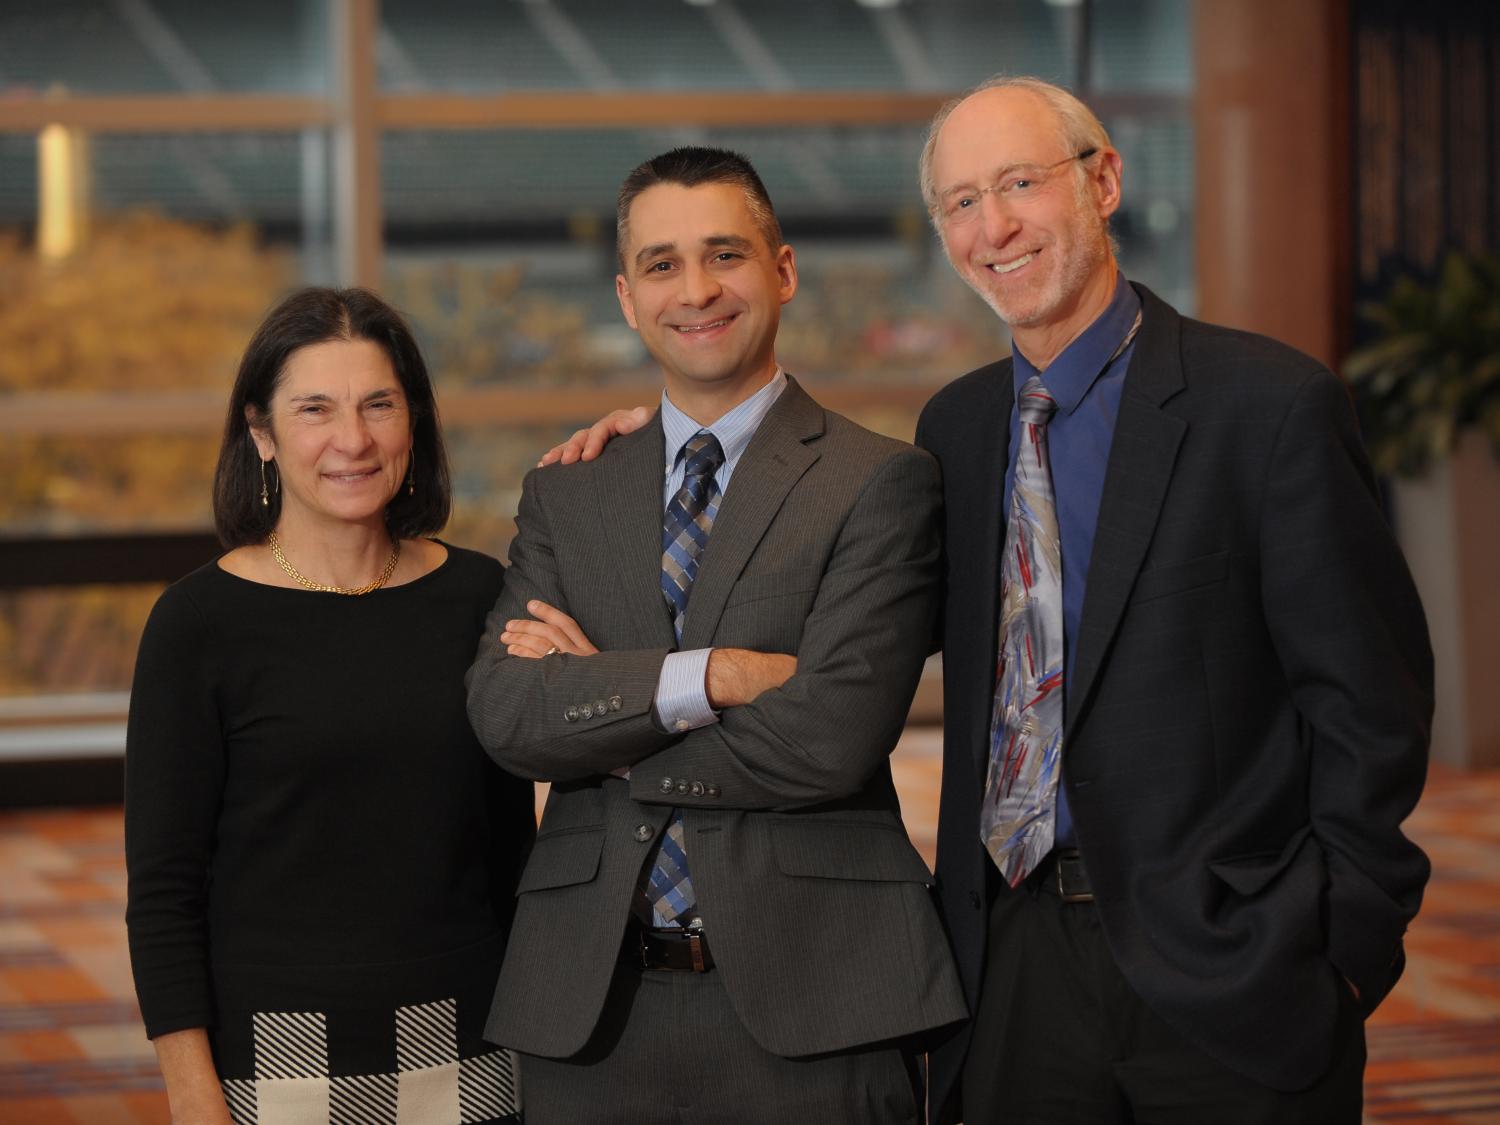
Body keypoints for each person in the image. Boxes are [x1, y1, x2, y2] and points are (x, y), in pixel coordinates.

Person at [544, 78, 1434, 1125]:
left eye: (1020, 184)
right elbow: (827, 614)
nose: (993, 226)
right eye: (961, 202)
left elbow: (1372, 703)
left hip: (1233, 967)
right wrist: (675, 452)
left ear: (1103, 181)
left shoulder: (1269, 407)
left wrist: (1342, 952)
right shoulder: (956, 431)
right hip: (1004, 967)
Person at [465, 146, 966, 1125]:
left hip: (818, 995)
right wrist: (716, 677)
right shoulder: (569, 489)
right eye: (661, 264)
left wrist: (602, 716)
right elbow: (508, 715)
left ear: (781, 270)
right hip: (590, 1006)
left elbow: (832, 738)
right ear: (626, 295)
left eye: (724, 256)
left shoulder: (877, 481)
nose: (695, 290)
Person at [125, 287, 535, 1125]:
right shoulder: (198, 623)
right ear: (262, 433)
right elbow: (164, 890)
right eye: (315, 409)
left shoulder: (479, 596)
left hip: (476, 1044)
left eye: (378, 404)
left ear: (411, 422)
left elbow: (513, 859)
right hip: (274, 1055)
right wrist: (192, 1094)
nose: (353, 439)